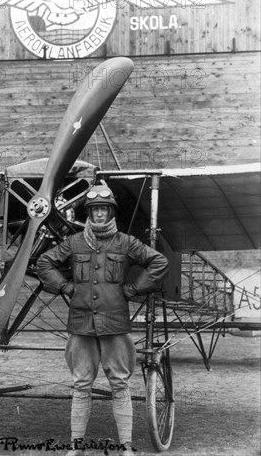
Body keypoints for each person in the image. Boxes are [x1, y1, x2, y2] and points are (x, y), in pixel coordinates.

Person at [37, 185, 169, 455]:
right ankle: (76, 447)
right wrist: (65, 286)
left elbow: (158, 262)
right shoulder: (74, 243)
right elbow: (44, 263)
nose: (99, 215)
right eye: (95, 210)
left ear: (111, 213)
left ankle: (126, 447)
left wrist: (133, 289)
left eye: (104, 210)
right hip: (81, 325)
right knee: (80, 385)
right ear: (89, 212)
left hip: (115, 325)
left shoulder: (126, 242)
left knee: (120, 384)